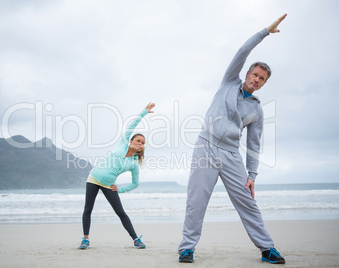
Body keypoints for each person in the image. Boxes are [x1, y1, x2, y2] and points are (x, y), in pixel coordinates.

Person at [178, 15, 287, 264]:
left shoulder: (257, 110)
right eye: (255, 74)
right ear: (247, 72)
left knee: (248, 204)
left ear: (263, 84)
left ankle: (267, 249)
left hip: (230, 156)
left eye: (262, 79)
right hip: (205, 147)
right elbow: (242, 50)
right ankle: (187, 248)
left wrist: (252, 175)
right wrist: (265, 32)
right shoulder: (229, 82)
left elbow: (254, 144)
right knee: (196, 201)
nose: (256, 79)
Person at [78, 102, 155, 250]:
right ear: (131, 141)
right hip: (93, 179)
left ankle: (136, 239)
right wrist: (144, 112)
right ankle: (85, 239)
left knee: (120, 212)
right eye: (138, 140)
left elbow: (135, 183)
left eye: (143, 143)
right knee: (88, 209)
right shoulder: (122, 144)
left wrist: (119, 190)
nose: (140, 143)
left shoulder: (133, 163)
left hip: (109, 185)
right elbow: (132, 125)